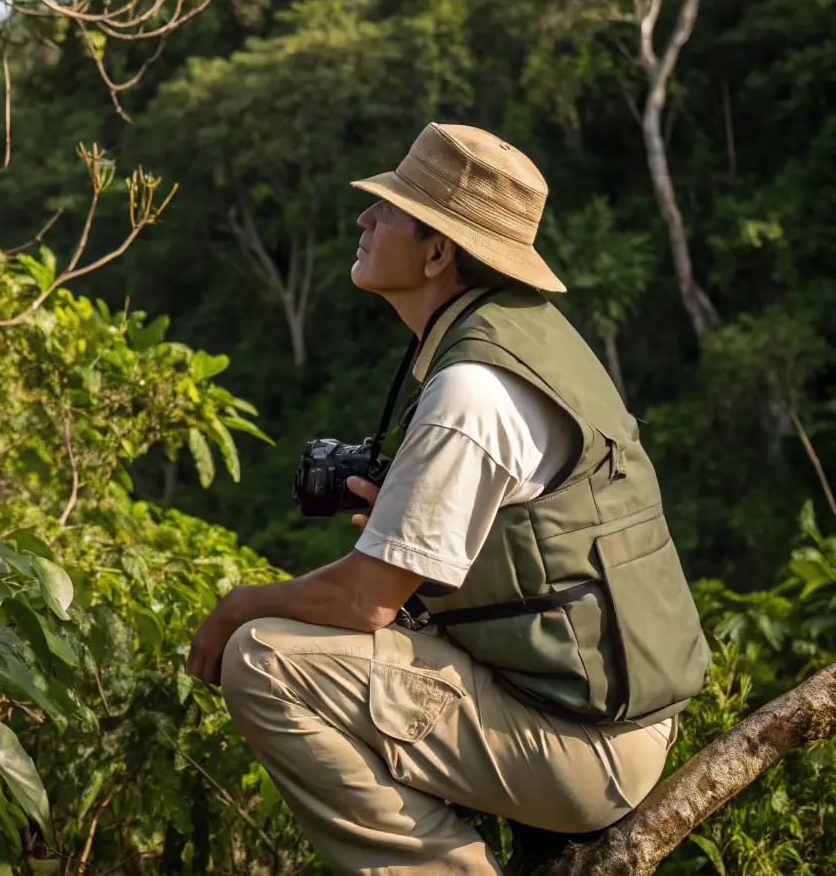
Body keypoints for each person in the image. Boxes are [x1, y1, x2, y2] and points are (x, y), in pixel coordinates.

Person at [187, 122, 710, 875]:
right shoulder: (523, 333)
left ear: (439, 252)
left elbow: (366, 600)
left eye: (389, 210)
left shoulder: (472, 388)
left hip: (586, 747)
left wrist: (238, 602)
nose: (364, 220)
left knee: (263, 657)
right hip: (594, 707)